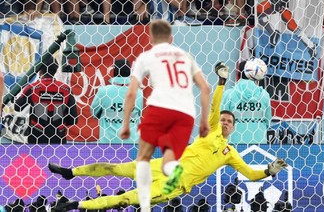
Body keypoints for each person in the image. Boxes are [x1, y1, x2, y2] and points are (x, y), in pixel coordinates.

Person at [49, 62, 288, 211]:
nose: (225, 122)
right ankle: (71, 173)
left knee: (128, 199)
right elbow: (215, 108)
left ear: (233, 128)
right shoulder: (212, 129)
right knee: (115, 168)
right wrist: (222, 83)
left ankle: (74, 205)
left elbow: (251, 174)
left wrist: (269, 170)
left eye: (229, 121)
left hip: (175, 184)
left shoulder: (231, 154)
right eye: (224, 120)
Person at [118, 19, 210, 212]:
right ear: (171, 38)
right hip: (185, 114)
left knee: (143, 158)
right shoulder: (185, 56)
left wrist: (125, 123)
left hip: (160, 109)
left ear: (151, 38)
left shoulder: (146, 57)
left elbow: (131, 93)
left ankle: (144, 207)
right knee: (170, 157)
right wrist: (204, 122)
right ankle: (173, 170)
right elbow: (205, 88)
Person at [14, 55, 78, 144]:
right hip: (58, 138)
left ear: (39, 70)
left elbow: (17, 107)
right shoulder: (66, 89)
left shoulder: (32, 88)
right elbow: (73, 119)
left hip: (36, 138)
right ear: (55, 71)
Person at [91, 59, 143, 143]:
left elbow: (94, 113)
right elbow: (139, 114)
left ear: (114, 71)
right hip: (132, 141)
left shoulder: (103, 91)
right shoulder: (138, 92)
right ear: (130, 72)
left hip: (108, 141)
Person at [221, 60, 272, 144]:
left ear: (238, 73)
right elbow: (268, 121)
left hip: (234, 143)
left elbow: (221, 121)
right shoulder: (264, 95)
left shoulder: (229, 94)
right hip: (260, 142)